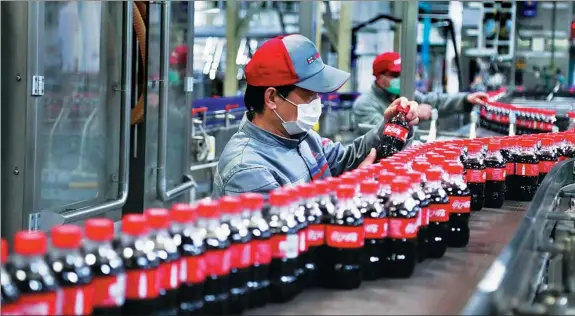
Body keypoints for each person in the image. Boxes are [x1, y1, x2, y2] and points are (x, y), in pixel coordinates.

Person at [212, 34, 420, 198]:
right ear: (272, 97)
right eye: (309, 95)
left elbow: (347, 160)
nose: (316, 102)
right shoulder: (249, 169)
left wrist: (392, 125)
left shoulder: (300, 137)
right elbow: (283, 240)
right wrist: (348, 194)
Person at [353, 52, 489, 134]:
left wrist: (466, 99)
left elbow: (434, 102)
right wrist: (413, 114)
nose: (400, 78)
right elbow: (380, 132)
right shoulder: (365, 104)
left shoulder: (402, 93)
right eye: (395, 74)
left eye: (402, 73)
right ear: (379, 77)